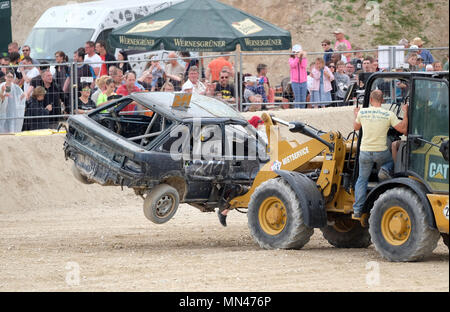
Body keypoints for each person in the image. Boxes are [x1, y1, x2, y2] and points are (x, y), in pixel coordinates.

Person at [352, 90, 409, 218]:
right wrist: (406, 113)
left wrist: (355, 114)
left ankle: (357, 210)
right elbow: (403, 130)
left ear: (370, 100)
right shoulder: (388, 114)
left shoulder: (362, 112)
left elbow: (356, 127)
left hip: (365, 152)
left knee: (361, 179)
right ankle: (384, 170)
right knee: (391, 162)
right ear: (383, 101)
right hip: (381, 152)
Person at [289, 44, 308, 108]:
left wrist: (303, 58)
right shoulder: (291, 59)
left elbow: (304, 65)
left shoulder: (303, 58)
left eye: (298, 52)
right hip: (295, 82)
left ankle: (302, 110)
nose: (296, 54)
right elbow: (293, 65)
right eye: (295, 52)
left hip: (303, 81)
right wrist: (297, 58)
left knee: (303, 98)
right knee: (297, 98)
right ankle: (297, 110)